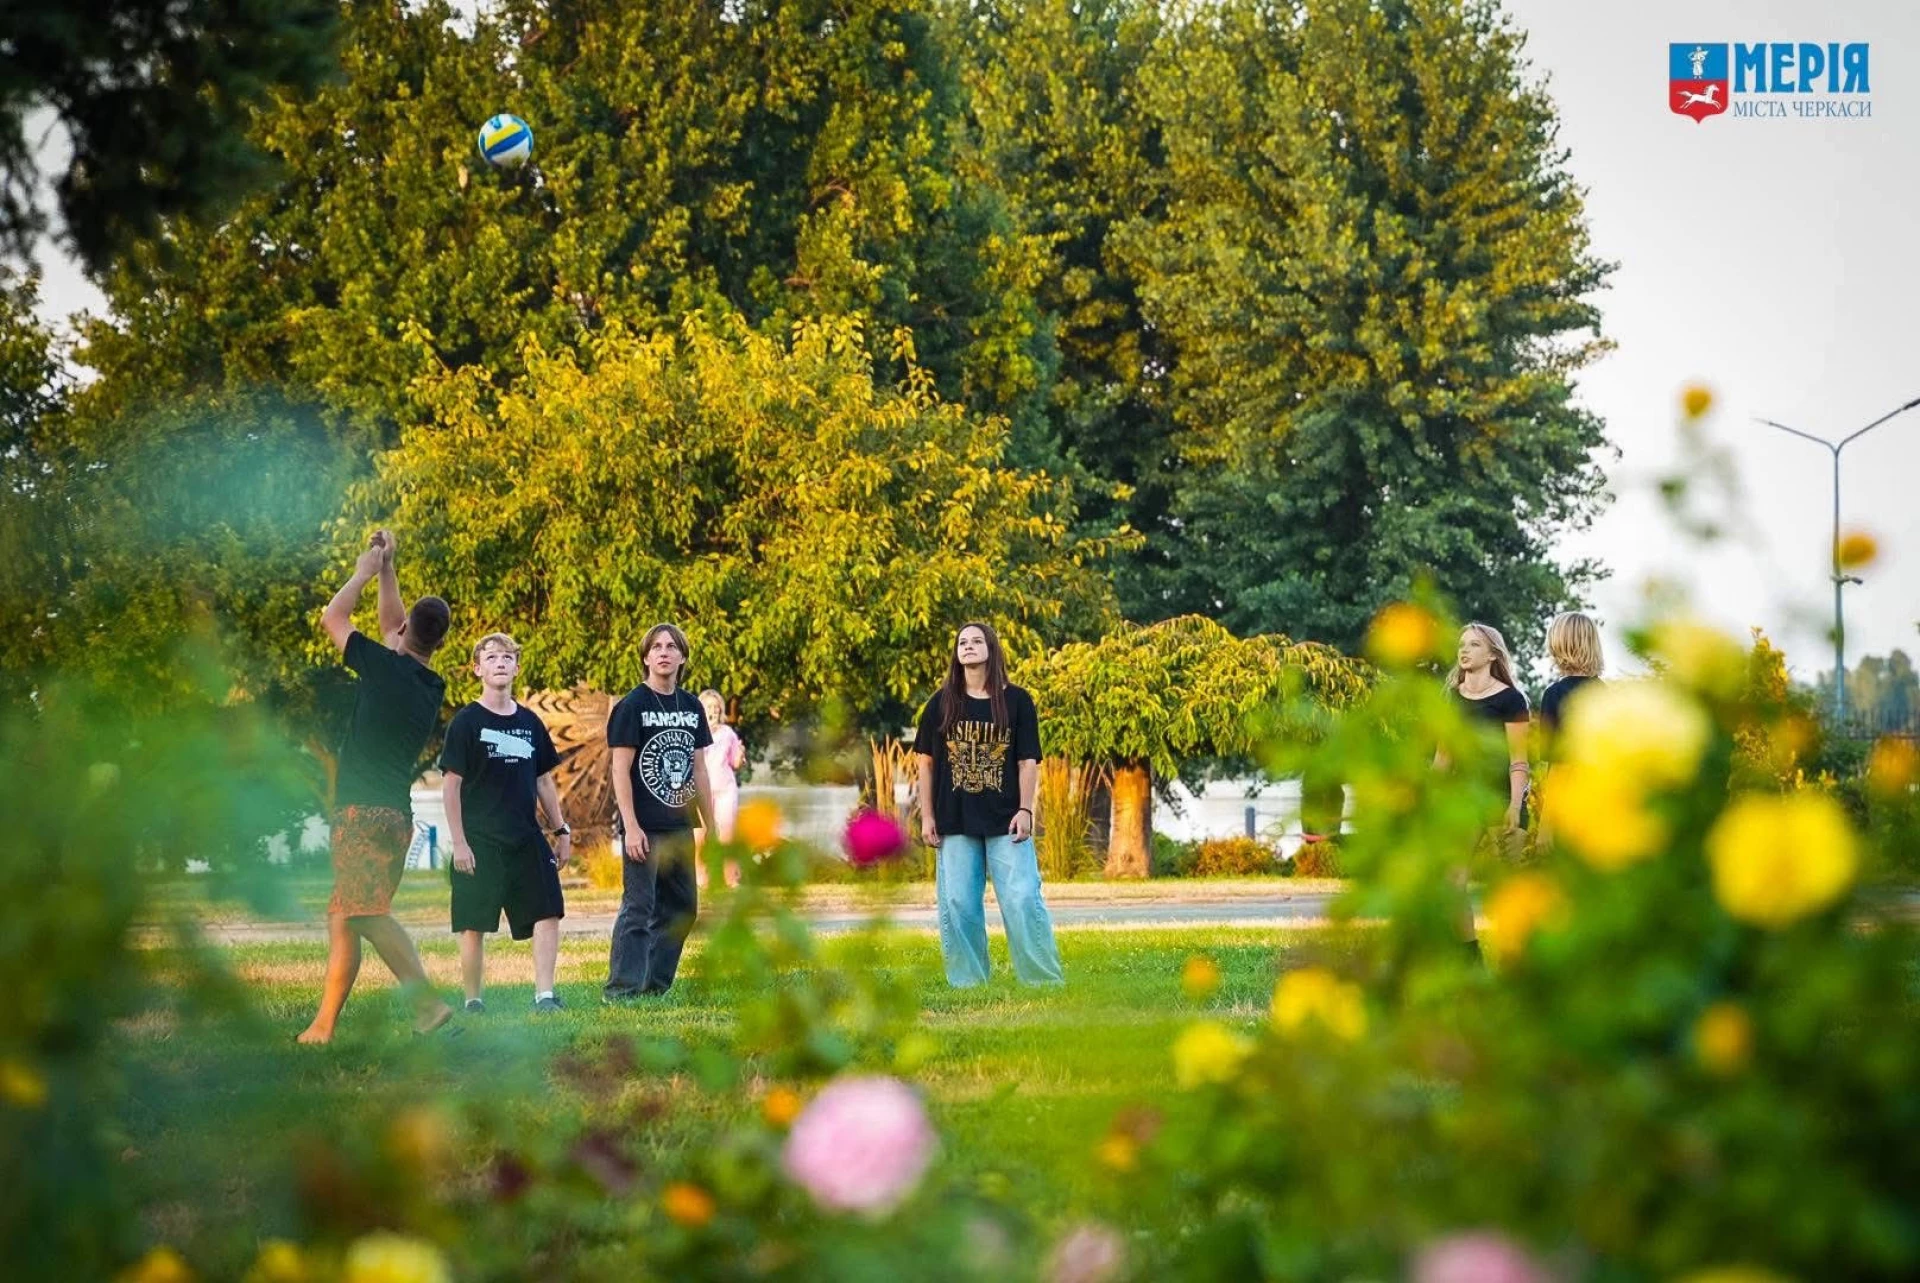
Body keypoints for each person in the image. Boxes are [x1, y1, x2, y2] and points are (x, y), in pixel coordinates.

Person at [298, 530, 455, 1044]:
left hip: (361, 815)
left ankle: (428, 1005)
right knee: (345, 917)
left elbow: (333, 618)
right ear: (438, 644)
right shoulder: (428, 684)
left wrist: (364, 572)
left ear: (406, 630)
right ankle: (323, 1027)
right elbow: (393, 627)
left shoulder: (384, 668)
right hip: (394, 818)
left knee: (365, 914)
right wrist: (389, 566)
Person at [913, 622, 1064, 988]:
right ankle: (968, 983)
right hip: (954, 819)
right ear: (957, 653)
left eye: (977, 641)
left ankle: (1043, 981)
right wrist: (928, 816)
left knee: (1022, 897)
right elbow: (925, 763)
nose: (968, 646)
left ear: (991, 649)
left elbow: (1028, 761)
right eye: (962, 642)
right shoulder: (940, 703)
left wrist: (1025, 809)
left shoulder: (1017, 701)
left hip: (1006, 819)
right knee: (958, 903)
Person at [440, 633, 572, 1014]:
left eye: (507, 657)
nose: (500, 663)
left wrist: (561, 829)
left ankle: (545, 996)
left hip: (526, 837)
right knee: (473, 923)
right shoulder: (465, 723)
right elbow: (451, 787)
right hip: (479, 841)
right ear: (477, 669)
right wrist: (460, 843)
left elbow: (543, 781)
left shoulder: (530, 722)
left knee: (549, 910)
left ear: (516, 668)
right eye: (492, 657)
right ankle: (473, 1001)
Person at [603, 623, 715, 1001]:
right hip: (644, 826)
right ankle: (621, 989)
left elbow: (699, 769)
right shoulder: (632, 705)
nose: (663, 652)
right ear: (646, 657)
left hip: (680, 824)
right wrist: (631, 826)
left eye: (671, 647)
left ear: (682, 657)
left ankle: (653, 987)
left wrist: (712, 825)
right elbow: (620, 769)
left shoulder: (691, 706)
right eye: (656, 647)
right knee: (639, 908)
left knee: (683, 909)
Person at [1437, 621, 1531, 961]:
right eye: (1462, 644)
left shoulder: (1511, 699)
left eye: (1474, 644)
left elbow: (1519, 761)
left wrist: (1515, 806)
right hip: (1462, 801)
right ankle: (1470, 960)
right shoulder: (1451, 698)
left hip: (1500, 799)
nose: (1464, 650)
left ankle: (1523, 959)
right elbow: (1443, 759)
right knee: (1451, 883)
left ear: (1492, 655)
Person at [1535, 612, 1605, 846]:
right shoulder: (1605, 694)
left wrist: (1545, 828)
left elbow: (1558, 766)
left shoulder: (1554, 695)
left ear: (1559, 645)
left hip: (1569, 808)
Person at [693, 689, 746, 890]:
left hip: (725, 791)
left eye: (716, 707)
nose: (713, 711)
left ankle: (731, 879)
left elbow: (735, 763)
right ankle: (701, 879)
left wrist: (740, 756)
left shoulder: (727, 734)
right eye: (709, 707)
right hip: (700, 791)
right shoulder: (693, 731)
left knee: (726, 835)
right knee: (700, 836)